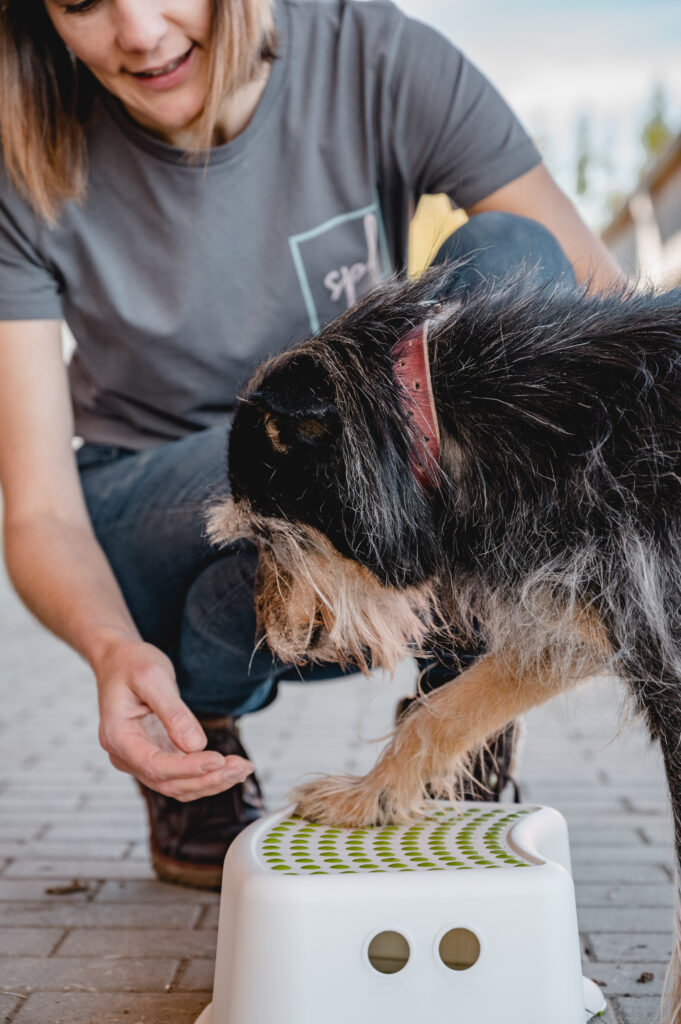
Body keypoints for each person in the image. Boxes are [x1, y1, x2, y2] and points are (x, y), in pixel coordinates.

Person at [0, 0, 625, 888]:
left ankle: (459, 712)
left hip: (361, 495)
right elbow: (41, 513)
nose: (137, 32)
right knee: (257, 539)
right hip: (153, 510)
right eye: (80, 1)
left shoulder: (373, 54)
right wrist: (111, 650)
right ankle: (198, 716)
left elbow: (603, 312)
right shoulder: (22, 150)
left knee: (513, 253)